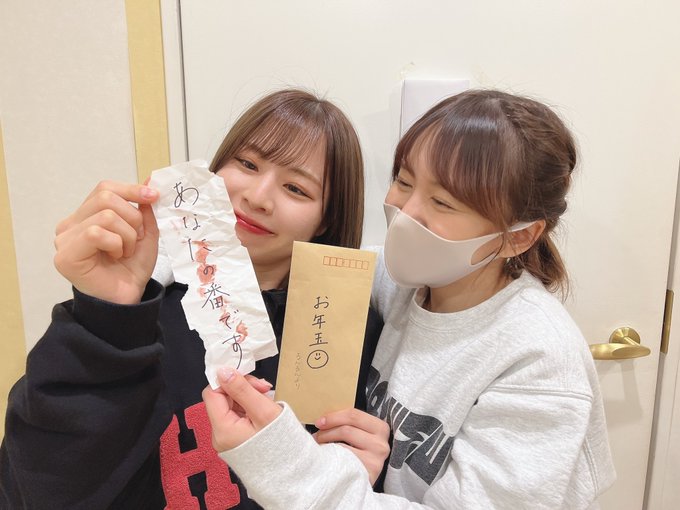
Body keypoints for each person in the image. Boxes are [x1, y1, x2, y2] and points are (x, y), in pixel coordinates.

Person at [203, 89, 617, 509]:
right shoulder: (397, 279)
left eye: (442, 202)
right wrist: (170, 253)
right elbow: (281, 256)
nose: (406, 212)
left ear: (519, 236)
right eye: (403, 181)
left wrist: (286, 463)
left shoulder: (539, 359)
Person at [0, 89, 387, 509]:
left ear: (327, 218)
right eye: (248, 164)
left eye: (295, 188)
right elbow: (37, 486)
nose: (257, 197)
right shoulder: (138, 312)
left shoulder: (349, 332)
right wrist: (103, 317)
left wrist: (350, 486)